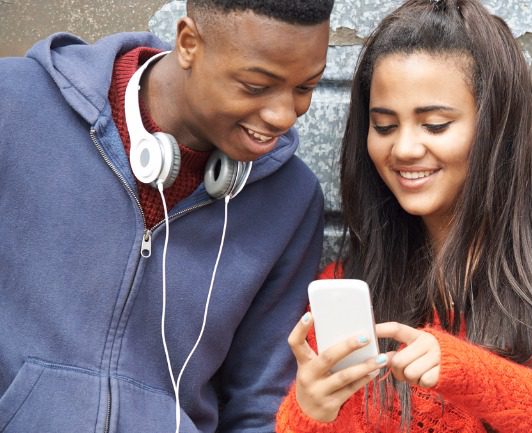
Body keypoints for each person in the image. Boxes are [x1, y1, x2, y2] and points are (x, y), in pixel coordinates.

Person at [276, 0, 532, 432]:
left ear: (495, 124)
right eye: (385, 126)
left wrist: (471, 374)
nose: (405, 149)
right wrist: (309, 412)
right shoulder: (349, 289)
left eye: (434, 125)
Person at [0, 0, 333, 431]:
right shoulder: (15, 106)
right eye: (255, 85)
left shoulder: (290, 198)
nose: (283, 115)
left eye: (305, 88)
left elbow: (259, 405)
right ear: (189, 42)